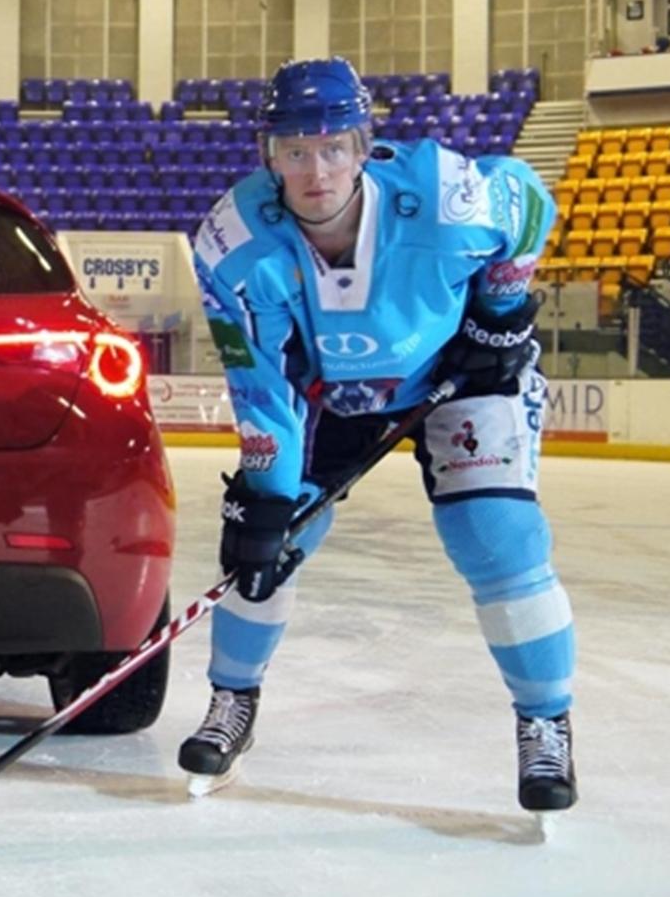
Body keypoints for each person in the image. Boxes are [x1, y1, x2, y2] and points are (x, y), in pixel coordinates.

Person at [186, 56, 577, 813]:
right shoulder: (233, 243)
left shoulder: (442, 194)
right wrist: (268, 495)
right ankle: (232, 699)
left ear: (364, 147)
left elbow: (528, 199)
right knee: (269, 548)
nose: (316, 170)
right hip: (329, 392)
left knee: (496, 536)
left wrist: (498, 313)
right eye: (295, 150)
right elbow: (261, 381)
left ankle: (544, 722)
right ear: (270, 155)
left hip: (455, 374)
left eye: (334, 147)